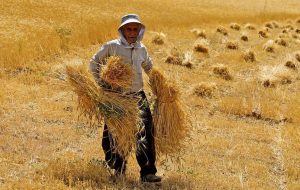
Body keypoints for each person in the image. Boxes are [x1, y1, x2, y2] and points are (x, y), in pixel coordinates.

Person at [89, 14, 161, 183]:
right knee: (114, 133)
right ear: (122, 30)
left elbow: (149, 67)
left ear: (140, 31)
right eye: (128, 29)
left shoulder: (141, 49)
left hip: (138, 96)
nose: (132, 32)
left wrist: (160, 86)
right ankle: (117, 169)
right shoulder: (112, 47)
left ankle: (148, 172)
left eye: (135, 29)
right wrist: (102, 83)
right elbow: (94, 62)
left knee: (145, 132)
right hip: (117, 97)